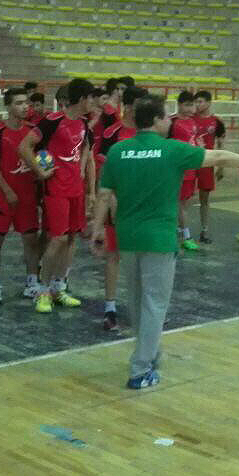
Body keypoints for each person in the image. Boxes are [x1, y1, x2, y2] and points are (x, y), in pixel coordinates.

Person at [90, 93, 239, 389]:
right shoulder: (172, 150)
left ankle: (150, 355)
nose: (170, 122)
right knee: (154, 304)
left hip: (128, 237)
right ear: (157, 120)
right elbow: (219, 157)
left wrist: (97, 230)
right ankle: (140, 369)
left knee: (138, 302)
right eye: (166, 117)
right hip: (159, 239)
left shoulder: (118, 151)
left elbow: (103, 195)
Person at [19, 78, 94, 314]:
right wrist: (40, 171)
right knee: (58, 238)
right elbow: (24, 146)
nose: (93, 102)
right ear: (82, 99)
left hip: (76, 189)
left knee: (71, 238)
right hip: (57, 189)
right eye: (91, 98)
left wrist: (86, 180)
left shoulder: (84, 124)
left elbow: (86, 150)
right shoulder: (52, 121)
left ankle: (59, 288)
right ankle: (43, 291)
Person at [0, 88, 42, 306]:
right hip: (3, 197)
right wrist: (7, 190)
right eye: (19, 103)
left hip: (28, 196)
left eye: (26, 102)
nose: (25, 106)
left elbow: (42, 157)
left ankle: (32, 284)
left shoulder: (34, 131)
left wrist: (46, 174)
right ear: (8, 106)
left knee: (31, 240)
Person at [92, 86, 145, 331]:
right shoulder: (112, 133)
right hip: (118, 204)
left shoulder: (150, 134)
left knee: (142, 258)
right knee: (113, 256)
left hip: (143, 206)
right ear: (130, 105)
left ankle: (143, 307)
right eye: (141, 104)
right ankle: (110, 309)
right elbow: (105, 175)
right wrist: (110, 202)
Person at [192, 90, 226, 244]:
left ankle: (204, 230)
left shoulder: (217, 122)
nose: (197, 105)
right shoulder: (190, 119)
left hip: (207, 163)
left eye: (200, 101)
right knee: (184, 197)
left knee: (204, 198)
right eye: (196, 102)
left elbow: (221, 145)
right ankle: (180, 228)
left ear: (208, 103)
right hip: (191, 161)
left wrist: (221, 166)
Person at [169, 91, 201, 251]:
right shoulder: (171, 122)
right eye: (187, 105)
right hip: (177, 170)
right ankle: (186, 236)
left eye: (192, 105)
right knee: (179, 203)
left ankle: (178, 230)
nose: (190, 108)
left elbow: (193, 142)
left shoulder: (192, 122)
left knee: (184, 203)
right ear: (179, 105)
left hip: (191, 169)